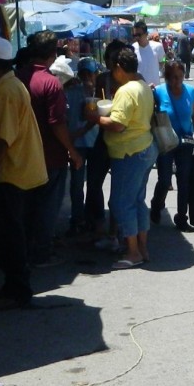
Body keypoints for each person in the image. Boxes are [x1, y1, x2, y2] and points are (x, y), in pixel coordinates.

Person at [0, 37, 47, 311]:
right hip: (22, 171)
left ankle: (18, 289)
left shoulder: (7, 90)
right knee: (13, 233)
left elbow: (3, 139)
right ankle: (13, 285)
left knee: (11, 234)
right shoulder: (12, 85)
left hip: (13, 173)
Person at [17, 31, 83, 267]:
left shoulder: (17, 78)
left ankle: (27, 249)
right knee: (46, 207)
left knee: (29, 206)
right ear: (52, 53)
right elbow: (57, 123)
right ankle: (42, 253)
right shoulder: (50, 83)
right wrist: (72, 152)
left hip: (23, 155)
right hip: (50, 156)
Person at [91, 48, 158, 268]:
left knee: (122, 203)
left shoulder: (126, 91)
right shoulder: (143, 86)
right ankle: (142, 247)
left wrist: (94, 118)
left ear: (119, 68)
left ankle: (133, 252)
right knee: (138, 201)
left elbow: (118, 124)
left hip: (129, 152)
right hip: (144, 147)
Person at [150, 60, 194, 231]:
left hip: (186, 142)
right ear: (166, 78)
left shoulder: (191, 92)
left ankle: (182, 217)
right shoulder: (158, 92)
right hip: (165, 142)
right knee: (165, 180)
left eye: (180, 77)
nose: (177, 81)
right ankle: (157, 204)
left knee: (184, 180)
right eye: (173, 77)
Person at [85, 40, 126, 245]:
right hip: (103, 136)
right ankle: (100, 225)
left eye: (115, 60)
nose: (112, 64)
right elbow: (96, 102)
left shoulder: (133, 82)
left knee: (119, 189)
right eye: (110, 59)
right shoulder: (103, 79)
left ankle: (115, 231)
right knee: (93, 183)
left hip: (124, 139)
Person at [63, 57, 100, 235]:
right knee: (77, 184)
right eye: (83, 73)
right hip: (77, 144)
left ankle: (92, 218)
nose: (87, 77)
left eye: (89, 73)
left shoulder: (99, 93)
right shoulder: (72, 91)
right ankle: (78, 219)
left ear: (94, 74)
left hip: (94, 143)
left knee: (93, 183)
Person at [132, 20, 164, 85]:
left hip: (155, 88)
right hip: (139, 89)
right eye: (135, 35)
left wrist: (164, 61)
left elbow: (163, 61)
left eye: (139, 35)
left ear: (146, 34)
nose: (137, 37)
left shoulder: (158, 47)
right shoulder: (133, 48)